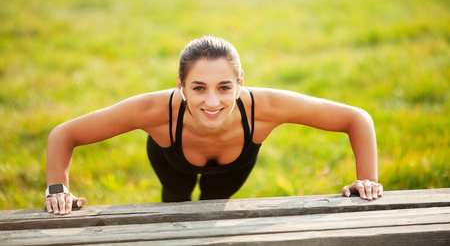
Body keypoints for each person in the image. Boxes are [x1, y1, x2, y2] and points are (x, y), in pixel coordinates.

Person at [45, 35, 383, 215]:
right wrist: (58, 190)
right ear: (180, 85)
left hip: (234, 165)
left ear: (239, 83)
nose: (212, 101)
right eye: (198, 88)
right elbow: (66, 134)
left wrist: (367, 181)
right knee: (175, 202)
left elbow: (357, 118)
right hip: (171, 157)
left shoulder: (265, 107)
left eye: (224, 87)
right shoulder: (153, 110)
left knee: (214, 203)